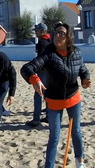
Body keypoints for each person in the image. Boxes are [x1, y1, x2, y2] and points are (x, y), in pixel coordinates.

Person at [20, 23, 90, 168]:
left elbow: (82, 68)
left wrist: (85, 78)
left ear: (68, 36)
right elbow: (27, 68)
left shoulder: (77, 52)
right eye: (56, 32)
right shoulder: (49, 53)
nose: (57, 35)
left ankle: (80, 162)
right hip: (54, 100)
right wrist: (35, 79)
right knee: (54, 137)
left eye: (61, 33)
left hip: (73, 97)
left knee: (76, 131)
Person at [26, 23, 51, 128]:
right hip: (50, 71)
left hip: (43, 71)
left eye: (36, 31)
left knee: (38, 95)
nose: (35, 33)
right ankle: (49, 116)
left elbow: (41, 59)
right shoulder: (51, 40)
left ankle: (36, 120)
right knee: (47, 94)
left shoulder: (42, 43)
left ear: (42, 31)